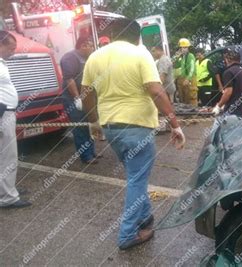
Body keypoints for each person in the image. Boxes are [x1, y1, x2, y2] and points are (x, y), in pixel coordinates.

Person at [81, 19, 185, 250]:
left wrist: (93, 122)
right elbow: (156, 91)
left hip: (111, 127)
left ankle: (145, 217)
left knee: (134, 174)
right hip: (137, 126)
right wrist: (175, 125)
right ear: (137, 36)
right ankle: (127, 234)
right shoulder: (141, 54)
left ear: (111, 34)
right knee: (137, 180)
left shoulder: (95, 57)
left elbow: (86, 93)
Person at [0, 31, 31, 209]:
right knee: (8, 156)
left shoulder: (2, 63)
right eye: (11, 48)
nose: (13, 51)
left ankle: (7, 189)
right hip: (2, 114)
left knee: (4, 156)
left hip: (6, 113)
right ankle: (7, 198)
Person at [60, 36, 98, 164]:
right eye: (91, 45)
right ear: (83, 45)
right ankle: (86, 156)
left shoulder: (87, 58)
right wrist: (77, 98)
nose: (92, 48)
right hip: (73, 99)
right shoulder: (70, 57)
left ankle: (92, 152)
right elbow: (69, 79)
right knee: (80, 127)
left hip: (86, 97)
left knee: (89, 124)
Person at [213, 49, 242, 117]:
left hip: (232, 110)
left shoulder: (228, 72)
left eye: (225, 59)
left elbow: (228, 92)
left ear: (228, 59)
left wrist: (218, 106)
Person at [175, 38, 197, 106]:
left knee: (191, 96)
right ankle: (186, 113)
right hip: (183, 78)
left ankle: (193, 113)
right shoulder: (182, 57)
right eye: (182, 48)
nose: (183, 49)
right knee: (184, 97)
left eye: (185, 47)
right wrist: (177, 57)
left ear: (188, 48)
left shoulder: (190, 56)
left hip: (190, 79)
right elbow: (176, 66)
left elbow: (192, 69)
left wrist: (188, 79)